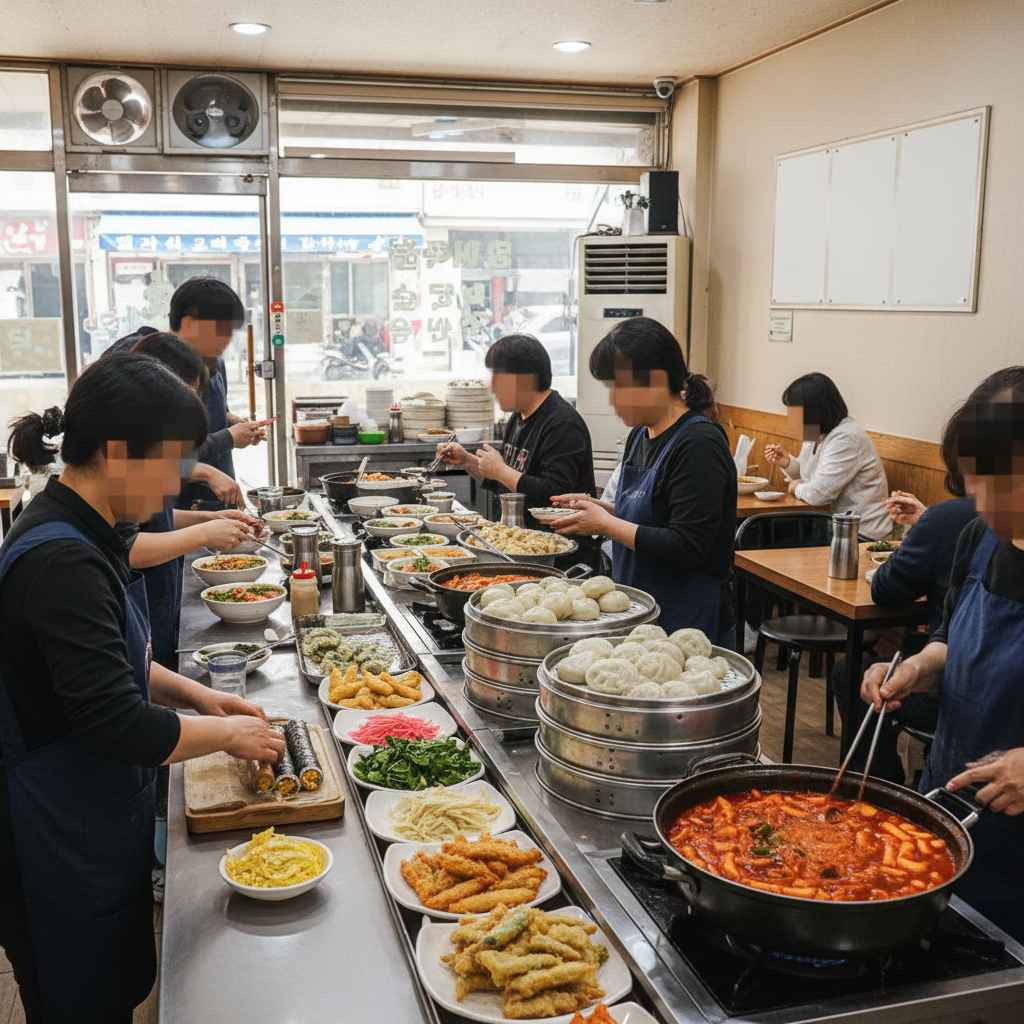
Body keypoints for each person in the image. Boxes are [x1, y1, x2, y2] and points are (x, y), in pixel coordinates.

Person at [0, 353, 284, 1022]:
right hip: (54, 836)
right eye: (169, 464)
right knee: (80, 1001)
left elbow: (107, 661)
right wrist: (229, 733)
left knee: (115, 982)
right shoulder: (62, 559)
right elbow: (116, 721)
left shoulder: (83, 525)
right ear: (117, 452)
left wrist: (196, 695)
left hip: (91, 816)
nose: (174, 486)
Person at [861, 366, 1024, 940]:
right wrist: (917, 668)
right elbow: (954, 637)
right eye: (973, 481)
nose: (980, 501)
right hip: (951, 809)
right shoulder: (979, 538)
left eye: (998, 482)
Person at [550, 317, 736, 642]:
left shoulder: (699, 444)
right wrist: (600, 509)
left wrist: (606, 525)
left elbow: (689, 545)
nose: (613, 400)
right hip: (641, 609)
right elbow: (650, 516)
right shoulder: (640, 435)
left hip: (687, 619)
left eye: (619, 388)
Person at [830, 405, 977, 783]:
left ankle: (880, 783)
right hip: (951, 682)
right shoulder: (977, 528)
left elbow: (886, 588)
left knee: (849, 672)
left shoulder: (957, 519)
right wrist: (916, 667)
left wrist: (931, 523)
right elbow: (953, 636)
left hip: (964, 711)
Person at [122, 333, 260, 670]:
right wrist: (204, 534)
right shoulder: (125, 452)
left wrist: (210, 520)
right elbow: (126, 547)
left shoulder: (146, 443)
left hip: (160, 602)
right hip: (142, 607)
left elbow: (157, 519)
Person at [110, 278, 273, 506]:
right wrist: (227, 439)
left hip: (213, 498)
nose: (226, 341)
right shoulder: (143, 361)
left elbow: (214, 411)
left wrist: (235, 423)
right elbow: (145, 455)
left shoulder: (213, 360)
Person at [438, 334, 595, 529]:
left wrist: (501, 471)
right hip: (516, 535)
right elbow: (507, 481)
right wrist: (467, 461)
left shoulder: (562, 423)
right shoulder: (517, 417)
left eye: (498, 377)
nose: (491, 387)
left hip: (554, 543)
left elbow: (555, 496)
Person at [764, 372, 893, 539]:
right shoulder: (816, 431)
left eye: (794, 412)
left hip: (862, 533)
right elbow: (807, 476)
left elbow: (818, 494)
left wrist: (795, 487)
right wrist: (786, 462)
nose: (790, 418)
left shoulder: (846, 437)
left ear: (812, 411)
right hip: (831, 526)